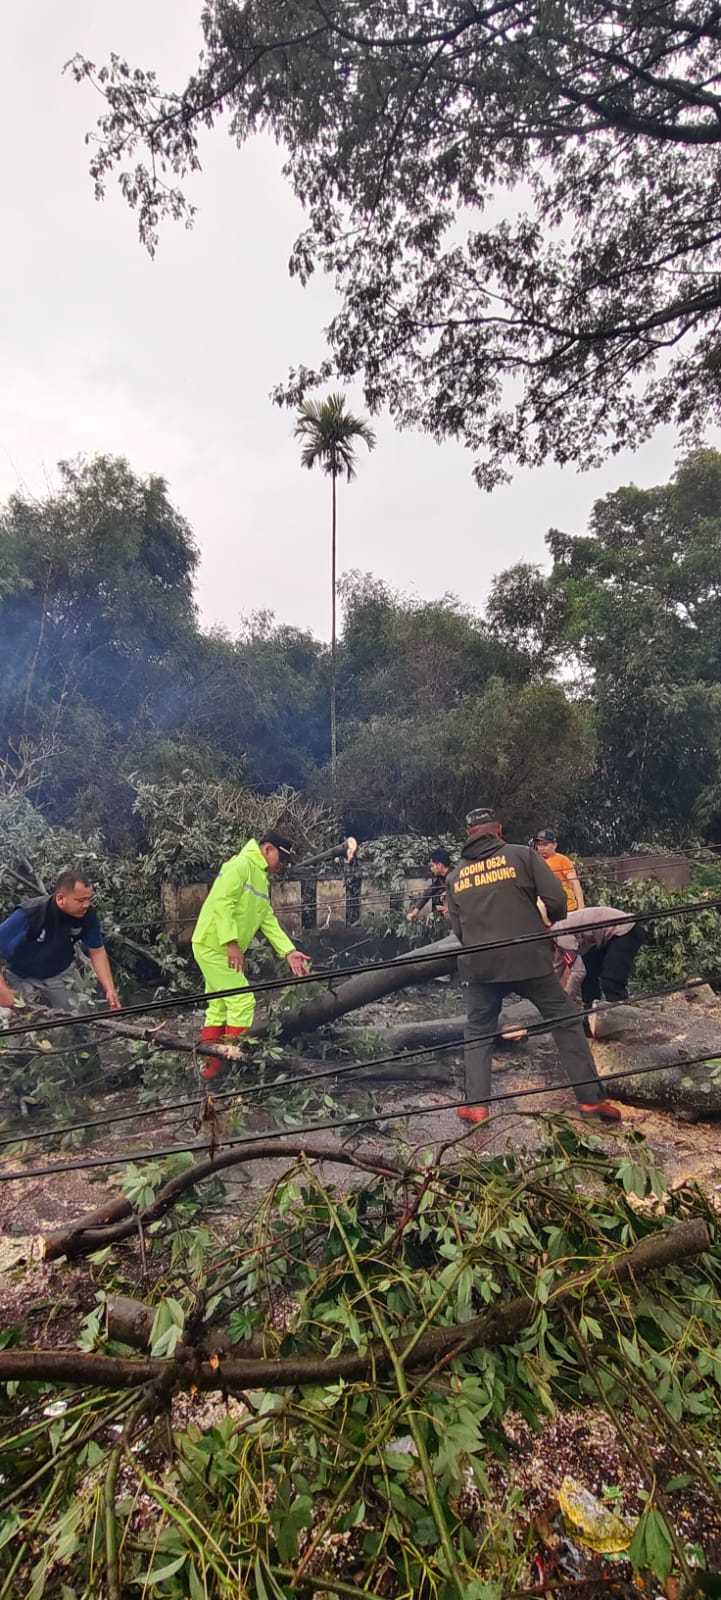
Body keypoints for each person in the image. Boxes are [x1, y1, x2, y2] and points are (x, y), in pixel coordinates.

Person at [444, 808, 621, 1125]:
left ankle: (477, 1106)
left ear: (469, 836)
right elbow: (556, 900)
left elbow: (459, 931)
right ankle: (591, 1101)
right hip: (530, 961)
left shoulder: (455, 875)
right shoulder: (522, 856)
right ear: (498, 831)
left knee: (478, 1032)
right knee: (565, 1020)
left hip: (480, 967)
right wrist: (548, 920)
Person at [192, 831, 311, 1080]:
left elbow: (265, 917)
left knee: (220, 1006)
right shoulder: (239, 866)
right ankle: (232, 1066)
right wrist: (231, 942)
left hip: (217, 946)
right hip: (215, 945)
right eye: (281, 857)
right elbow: (222, 902)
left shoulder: (259, 877)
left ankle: (212, 1069)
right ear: (268, 849)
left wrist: (288, 951)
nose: (281, 865)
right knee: (242, 1002)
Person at [0, 870, 121, 1013]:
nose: (86, 905)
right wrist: (3, 992)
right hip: (23, 976)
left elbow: (97, 951)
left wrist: (109, 989)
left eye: (89, 899)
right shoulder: (30, 914)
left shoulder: (87, 915)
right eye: (81, 900)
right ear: (60, 899)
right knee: (27, 1023)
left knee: (83, 1018)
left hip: (62, 973)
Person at [552, 906, 645, 1010]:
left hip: (625, 930)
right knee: (589, 968)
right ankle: (591, 1009)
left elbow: (578, 972)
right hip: (610, 935)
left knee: (611, 977)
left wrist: (566, 1000)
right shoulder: (556, 933)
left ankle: (622, 1013)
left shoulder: (559, 932)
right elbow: (556, 968)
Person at [533, 829, 585, 911]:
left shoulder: (562, 860)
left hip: (567, 908)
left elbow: (574, 883)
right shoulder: (534, 861)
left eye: (545, 845)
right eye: (539, 845)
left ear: (554, 845)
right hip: (545, 909)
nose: (541, 848)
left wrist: (581, 907)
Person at [407, 849, 452, 922]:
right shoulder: (440, 879)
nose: (431, 869)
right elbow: (427, 894)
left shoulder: (456, 876)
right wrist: (414, 913)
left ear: (439, 865)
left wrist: (447, 894)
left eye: (432, 866)